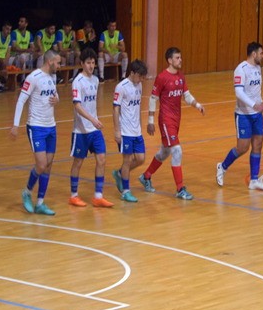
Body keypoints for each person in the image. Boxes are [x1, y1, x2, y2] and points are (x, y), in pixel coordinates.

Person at [140, 46, 205, 200]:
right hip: (166, 120)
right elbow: (153, 99)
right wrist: (150, 121)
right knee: (177, 150)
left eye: (180, 57)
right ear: (169, 60)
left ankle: (146, 176)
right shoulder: (162, 77)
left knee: (165, 152)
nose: (180, 60)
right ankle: (180, 188)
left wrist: (197, 105)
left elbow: (186, 96)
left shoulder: (181, 76)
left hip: (177, 120)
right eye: (177, 58)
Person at [9, 48, 62, 216]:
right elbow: (21, 100)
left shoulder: (52, 77)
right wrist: (15, 125)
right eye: (58, 63)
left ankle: (40, 203)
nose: (59, 66)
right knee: (41, 164)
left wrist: (57, 99)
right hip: (36, 126)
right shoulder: (33, 77)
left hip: (51, 126)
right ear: (50, 62)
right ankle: (27, 191)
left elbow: (55, 95)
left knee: (48, 165)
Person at [216, 42, 263, 191]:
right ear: (254, 54)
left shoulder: (258, 68)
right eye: (261, 53)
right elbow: (239, 93)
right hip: (243, 114)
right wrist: (254, 105)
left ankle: (254, 180)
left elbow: (256, 90)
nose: (262, 56)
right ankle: (222, 166)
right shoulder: (241, 69)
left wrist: (260, 103)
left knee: (258, 145)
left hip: (257, 115)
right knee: (242, 147)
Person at [68, 48, 113, 208]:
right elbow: (77, 106)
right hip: (81, 131)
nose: (91, 65)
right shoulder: (77, 81)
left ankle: (98, 196)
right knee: (78, 162)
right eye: (88, 63)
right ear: (82, 63)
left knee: (102, 159)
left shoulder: (95, 80)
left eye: (93, 62)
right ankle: (73, 196)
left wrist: (95, 120)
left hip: (94, 130)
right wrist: (92, 119)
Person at [111, 59, 148, 203]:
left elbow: (138, 107)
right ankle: (126, 192)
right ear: (132, 73)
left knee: (140, 159)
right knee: (127, 160)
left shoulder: (139, 85)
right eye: (140, 76)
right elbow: (115, 109)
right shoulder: (121, 87)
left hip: (136, 131)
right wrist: (117, 130)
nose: (141, 79)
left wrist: (140, 126)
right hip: (125, 131)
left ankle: (120, 173)